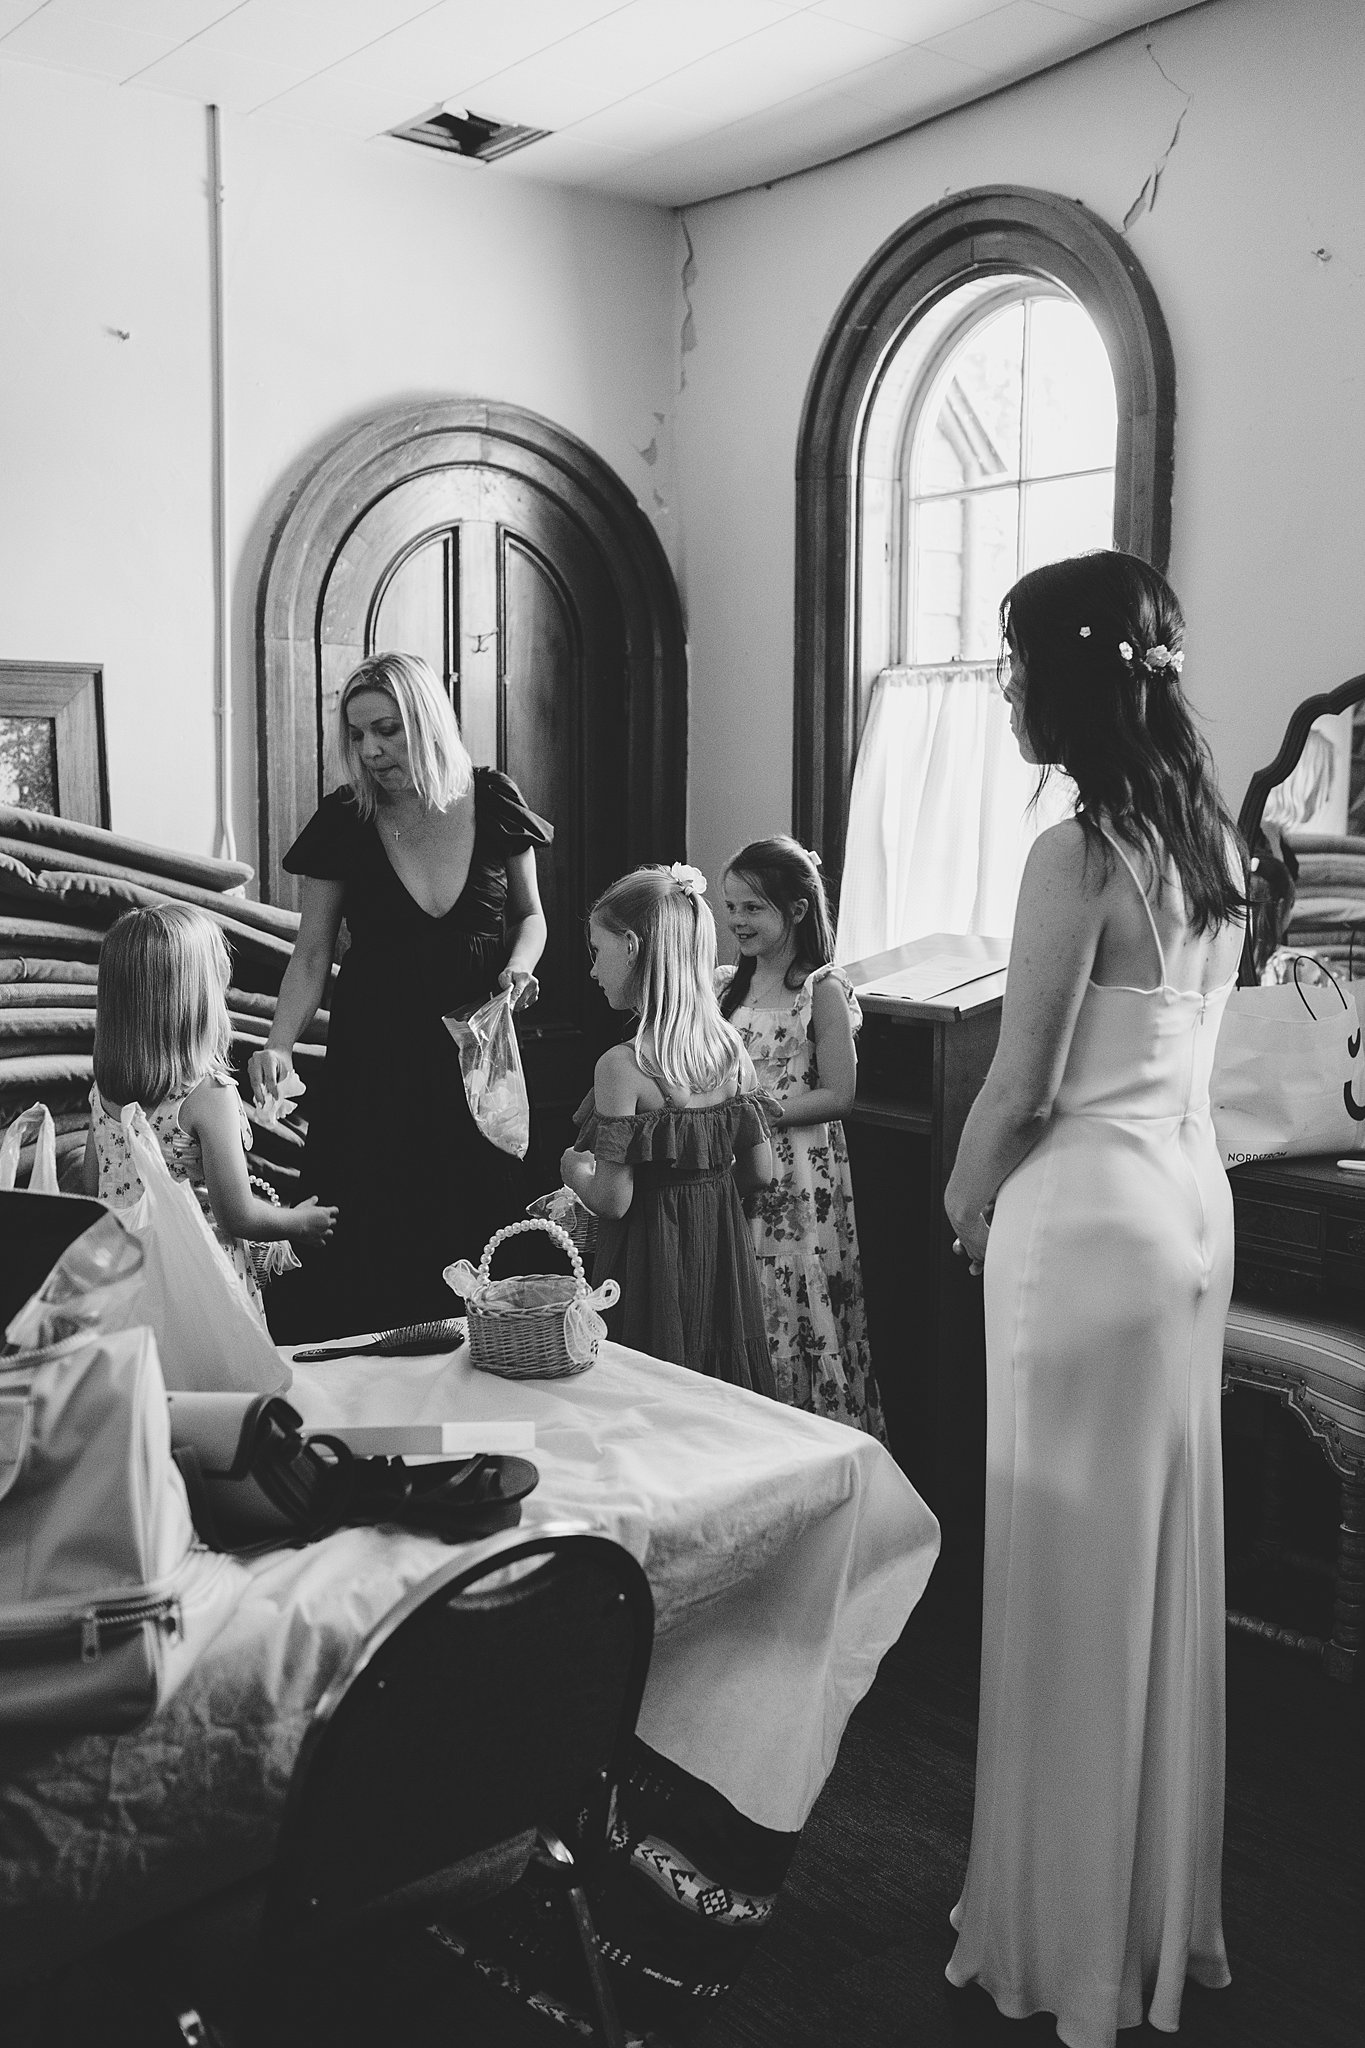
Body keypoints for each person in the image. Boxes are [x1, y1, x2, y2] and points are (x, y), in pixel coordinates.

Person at [942, 551, 1246, 2048]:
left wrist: (957, 1194)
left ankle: (1064, 1940)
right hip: (1190, 1202)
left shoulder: (1077, 854)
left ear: (1065, 678)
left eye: (1011, 665)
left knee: (1071, 1571)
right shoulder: (1211, 843)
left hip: (1086, 1219)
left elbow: (1024, 1079)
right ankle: (1144, 1915)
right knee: (1153, 1564)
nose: (1003, 691)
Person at [249, 651, 550, 1338]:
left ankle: (486, 1388)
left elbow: (529, 916)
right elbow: (312, 952)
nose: (370, 749)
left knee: (478, 1227)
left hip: (472, 1057)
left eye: (386, 728)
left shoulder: (493, 798)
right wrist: (277, 1045)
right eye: (356, 734)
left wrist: (520, 967)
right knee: (373, 1233)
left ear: (424, 720)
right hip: (372, 1062)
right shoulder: (344, 819)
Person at [560, 862, 776, 1393]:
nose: (592, 970)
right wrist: (708, 1204)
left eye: (596, 951)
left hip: (649, 1266)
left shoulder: (623, 1066)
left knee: (648, 1396)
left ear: (632, 947)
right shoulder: (729, 1050)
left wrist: (571, 1170)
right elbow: (761, 1172)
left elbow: (612, 1200)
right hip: (721, 1264)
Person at [83, 904, 336, 1316]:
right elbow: (237, 1215)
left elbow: (92, 1192)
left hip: (126, 1281)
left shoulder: (103, 1094)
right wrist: (300, 1222)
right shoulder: (208, 1095)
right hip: (199, 1286)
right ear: (199, 1002)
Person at [718, 835, 887, 1439]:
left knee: (791, 1299)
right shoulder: (725, 988)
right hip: (738, 1166)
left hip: (799, 1171)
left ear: (795, 910)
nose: (736, 920)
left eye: (752, 908)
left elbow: (840, 1094)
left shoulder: (821, 990)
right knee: (744, 1294)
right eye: (731, 906)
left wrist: (763, 1112)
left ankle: (805, 1435)